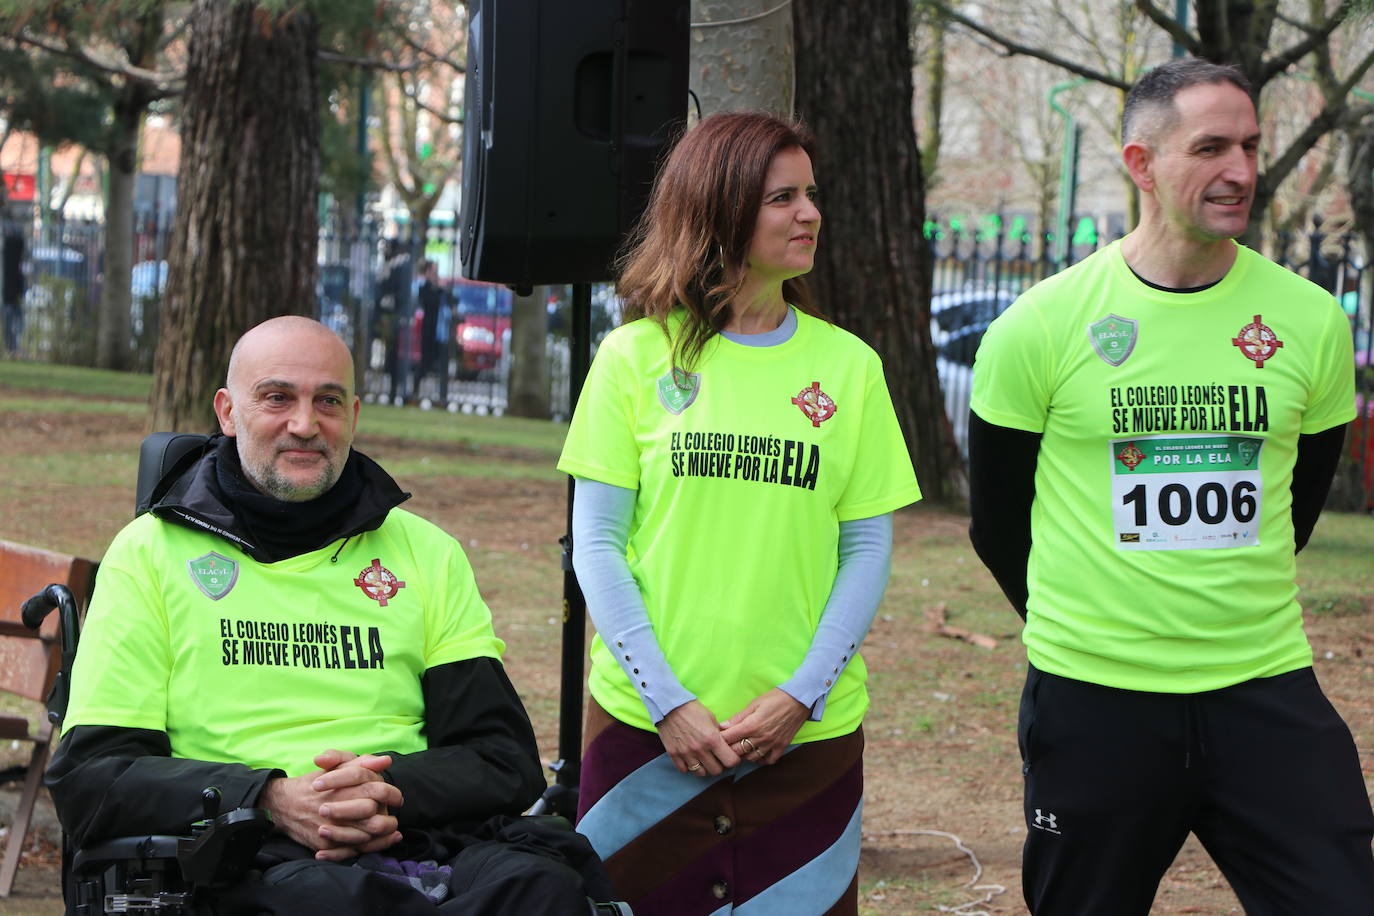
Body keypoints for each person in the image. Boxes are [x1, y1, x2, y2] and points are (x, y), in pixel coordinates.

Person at [968, 58, 1374, 914]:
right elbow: (997, 524)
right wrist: (1091, 628)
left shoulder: (1307, 320)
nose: (1241, 170)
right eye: (1212, 147)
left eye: (1252, 146)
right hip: (1096, 700)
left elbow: (1291, 511)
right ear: (1141, 163)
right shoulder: (1039, 326)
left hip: (1263, 688)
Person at [48, 316, 614, 914]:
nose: (304, 424)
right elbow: (94, 776)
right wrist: (270, 797)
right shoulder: (149, 553)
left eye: (328, 401)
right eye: (277, 398)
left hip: (416, 839)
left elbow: (503, 759)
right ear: (227, 412)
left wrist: (386, 789)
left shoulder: (425, 553)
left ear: (354, 415)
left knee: (547, 889)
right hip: (242, 853)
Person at [558, 111, 922, 915]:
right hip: (648, 735)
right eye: (782, 198)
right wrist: (669, 703)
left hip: (803, 743)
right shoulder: (634, 359)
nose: (810, 214)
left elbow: (865, 548)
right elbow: (597, 545)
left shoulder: (848, 367)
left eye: (811, 195)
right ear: (720, 210)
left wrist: (802, 695)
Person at [414, 259, 445, 401]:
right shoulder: (425, 288)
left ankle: (441, 396)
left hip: (439, 332)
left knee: (439, 364)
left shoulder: (439, 289)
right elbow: (428, 302)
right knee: (425, 363)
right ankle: (416, 391)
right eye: (433, 271)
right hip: (428, 331)